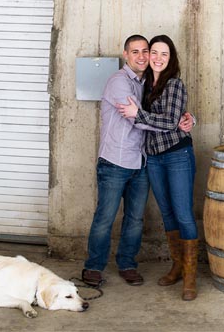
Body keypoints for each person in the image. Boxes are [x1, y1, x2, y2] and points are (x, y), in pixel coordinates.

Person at [82, 35, 193, 288]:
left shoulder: (150, 84)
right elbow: (139, 119)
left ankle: (127, 264)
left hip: (141, 161)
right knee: (105, 217)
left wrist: (187, 118)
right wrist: (171, 122)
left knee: (135, 219)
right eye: (136, 52)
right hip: (115, 161)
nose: (142, 56)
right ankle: (93, 266)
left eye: (146, 51)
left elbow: (160, 113)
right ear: (125, 54)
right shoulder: (118, 82)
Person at [117, 34, 199, 301]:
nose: (158, 58)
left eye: (164, 54)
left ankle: (189, 277)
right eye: (154, 52)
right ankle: (177, 266)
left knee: (184, 214)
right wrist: (187, 118)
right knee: (167, 213)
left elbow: (169, 121)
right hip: (153, 157)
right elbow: (168, 120)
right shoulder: (142, 85)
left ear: (170, 58)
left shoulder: (174, 84)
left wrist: (138, 115)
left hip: (177, 155)